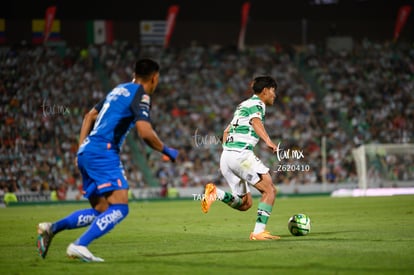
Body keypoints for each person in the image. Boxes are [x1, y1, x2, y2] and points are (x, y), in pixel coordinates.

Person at [36, 58, 178, 262]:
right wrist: (166, 150)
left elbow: (89, 116)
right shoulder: (141, 94)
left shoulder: (118, 89)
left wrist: (80, 148)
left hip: (87, 151)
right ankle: (79, 245)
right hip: (103, 151)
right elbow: (145, 132)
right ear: (154, 78)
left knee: (101, 210)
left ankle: (51, 228)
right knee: (120, 207)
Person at [201, 76, 280, 240]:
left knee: (245, 204)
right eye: (273, 91)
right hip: (241, 155)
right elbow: (256, 122)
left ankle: (216, 193)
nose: (274, 95)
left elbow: (226, 131)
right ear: (265, 91)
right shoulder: (258, 104)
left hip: (227, 156)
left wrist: (228, 156)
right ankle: (258, 232)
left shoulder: (243, 105)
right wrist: (268, 141)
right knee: (270, 190)